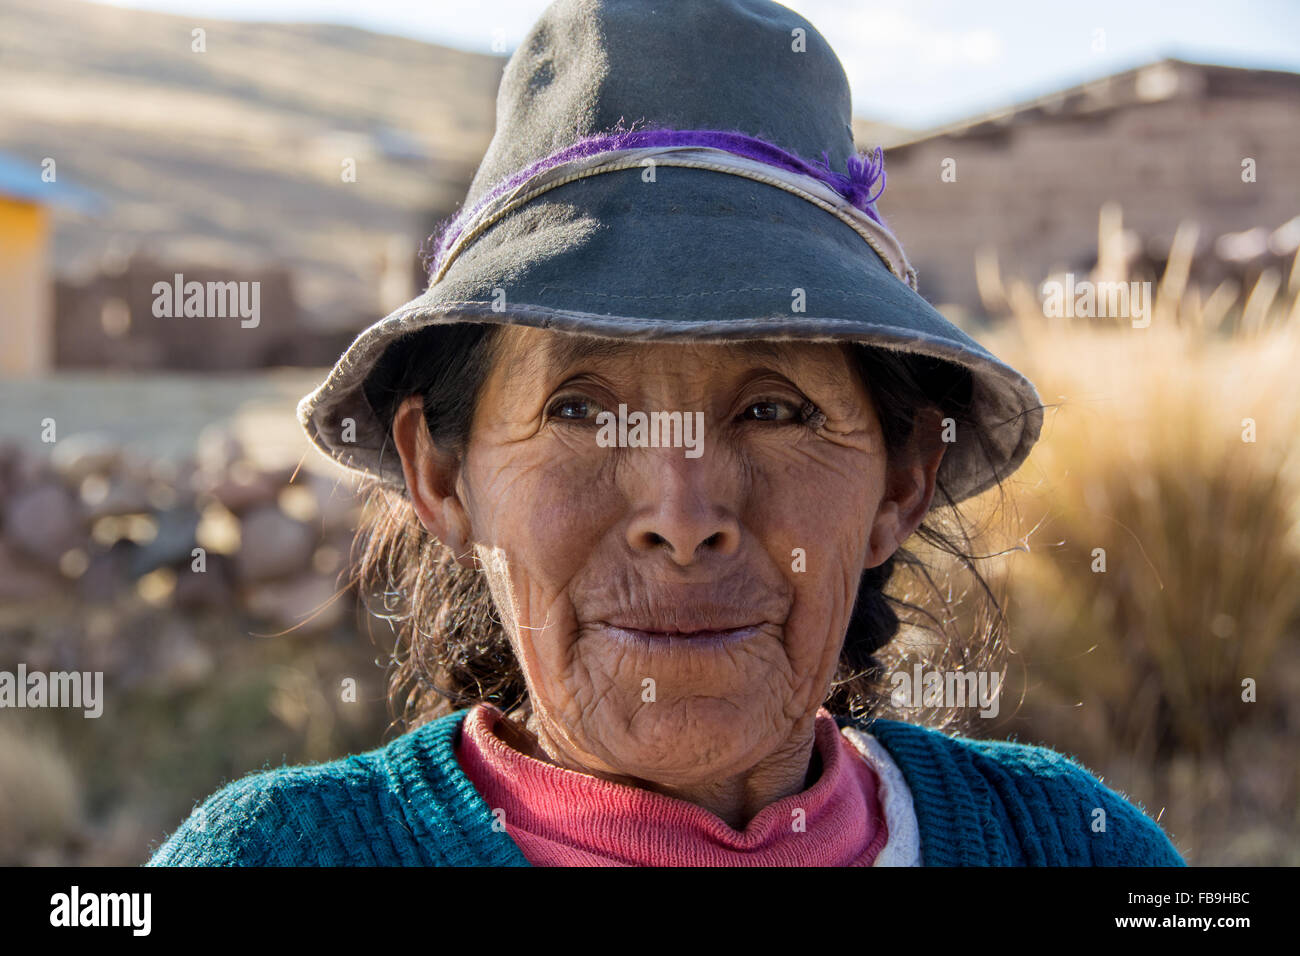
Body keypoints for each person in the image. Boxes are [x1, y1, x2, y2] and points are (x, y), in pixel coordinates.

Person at [148, 0, 1184, 866]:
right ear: (442, 474)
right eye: (579, 410)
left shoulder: (1070, 845)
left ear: (901, 477)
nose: (683, 519)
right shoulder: (276, 854)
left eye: (774, 409)